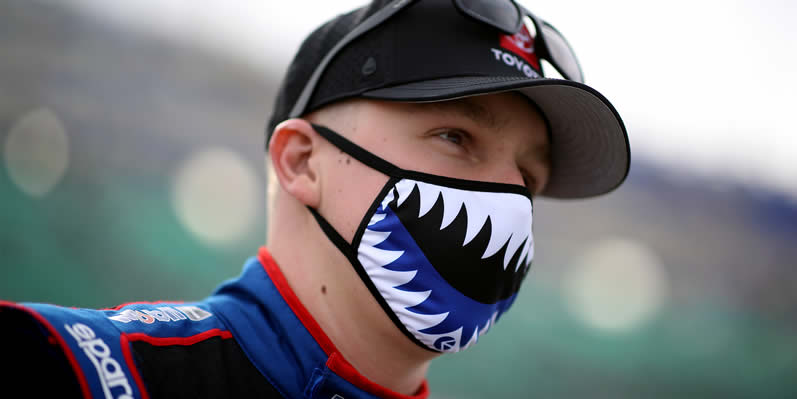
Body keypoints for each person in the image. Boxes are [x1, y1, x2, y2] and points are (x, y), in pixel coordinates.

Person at [0, 0, 629, 397]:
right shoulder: (75, 370)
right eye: (455, 136)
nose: (506, 197)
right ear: (301, 161)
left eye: (529, 178)